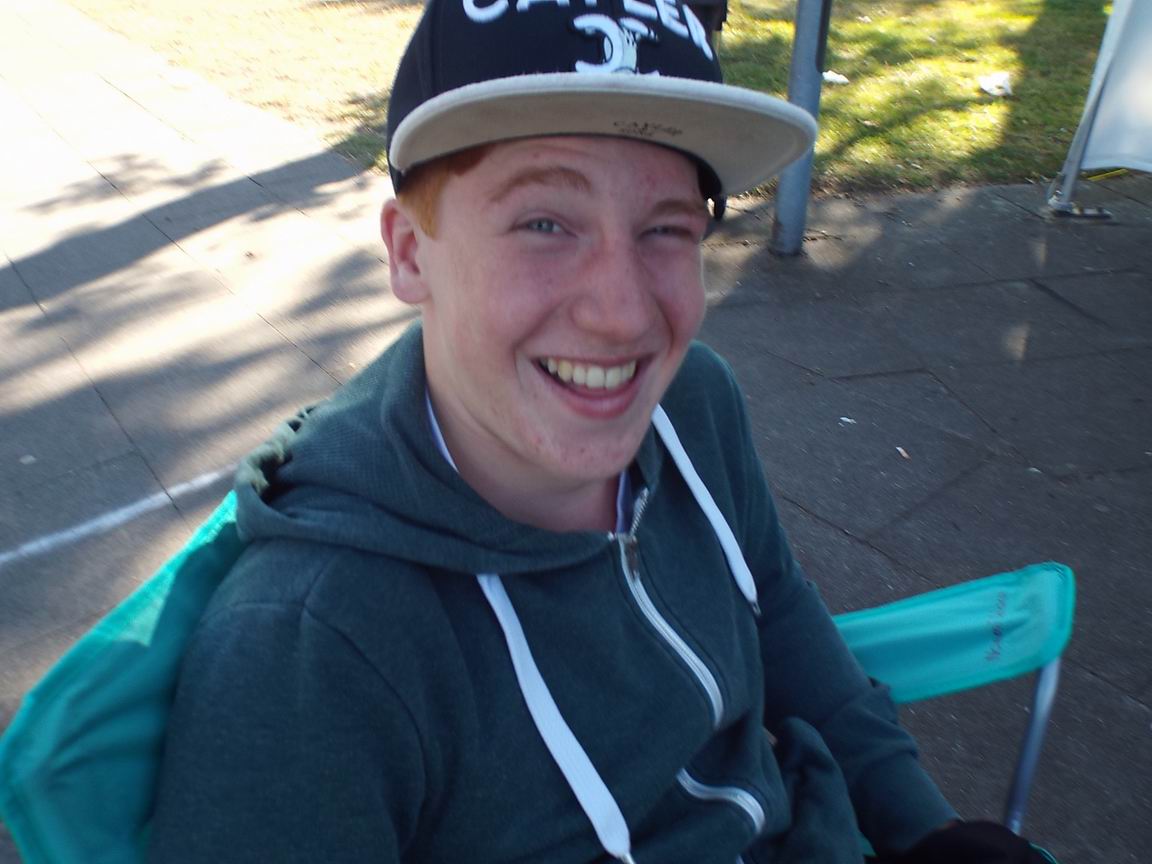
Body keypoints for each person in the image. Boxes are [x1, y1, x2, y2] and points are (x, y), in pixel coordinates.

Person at [147, 0, 1054, 861]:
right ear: (410, 252)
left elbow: (772, 604)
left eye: (667, 228)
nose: (623, 315)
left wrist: (925, 829)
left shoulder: (692, 404)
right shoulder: (308, 657)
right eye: (544, 222)